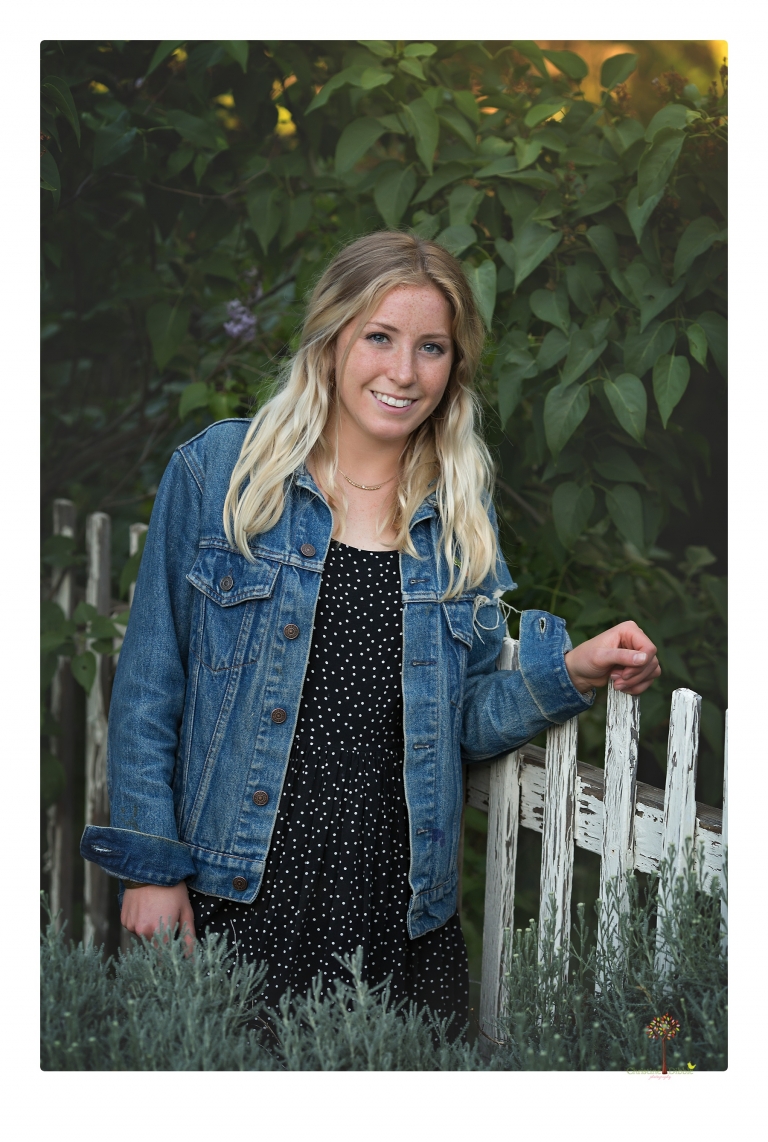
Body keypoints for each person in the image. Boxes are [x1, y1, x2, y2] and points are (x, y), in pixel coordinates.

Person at [81, 231, 660, 1038]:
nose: (403, 372)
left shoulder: (458, 518)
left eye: (431, 348)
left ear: (453, 369)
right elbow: (150, 687)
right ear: (331, 340)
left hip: (394, 912)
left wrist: (572, 672)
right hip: (232, 893)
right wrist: (151, 871)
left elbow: (456, 721)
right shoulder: (222, 473)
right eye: (379, 337)